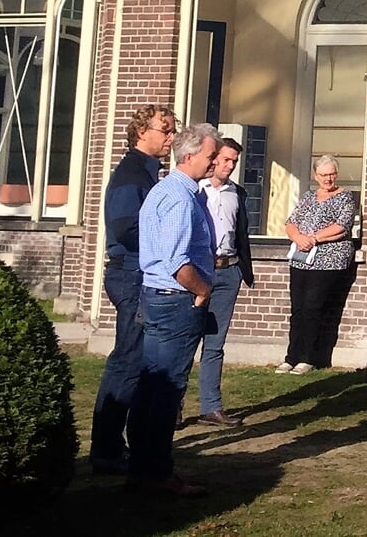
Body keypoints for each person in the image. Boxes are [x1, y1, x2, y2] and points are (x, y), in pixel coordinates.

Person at [126, 122, 220, 497]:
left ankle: (142, 469)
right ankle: (158, 474)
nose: (214, 163)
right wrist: (201, 290)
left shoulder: (166, 191)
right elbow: (178, 260)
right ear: (191, 155)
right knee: (166, 390)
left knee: (150, 387)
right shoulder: (180, 198)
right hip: (175, 299)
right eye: (211, 156)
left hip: (155, 296)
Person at [90, 104, 175, 475]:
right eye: (165, 130)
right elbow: (126, 228)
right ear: (142, 132)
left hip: (137, 273)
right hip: (130, 274)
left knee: (137, 360)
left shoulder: (149, 174)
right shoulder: (131, 175)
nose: (170, 137)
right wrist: (167, 243)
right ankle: (106, 448)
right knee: (128, 360)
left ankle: (119, 444)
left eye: (173, 130)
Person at [194, 135, 256, 426]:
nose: (230, 165)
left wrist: (243, 270)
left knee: (215, 342)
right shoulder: (195, 191)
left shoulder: (237, 193)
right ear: (213, 157)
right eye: (226, 159)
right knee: (185, 339)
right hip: (198, 272)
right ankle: (172, 406)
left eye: (235, 161)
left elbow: (241, 234)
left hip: (229, 271)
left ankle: (211, 406)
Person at [280, 155, 359, 374]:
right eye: (324, 175)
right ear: (316, 176)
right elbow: (291, 223)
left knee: (314, 306)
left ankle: (309, 356)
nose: (328, 179)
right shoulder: (308, 197)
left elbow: (341, 227)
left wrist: (313, 238)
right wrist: (299, 238)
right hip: (302, 259)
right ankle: (291, 356)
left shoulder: (345, 197)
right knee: (298, 308)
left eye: (332, 174)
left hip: (328, 260)